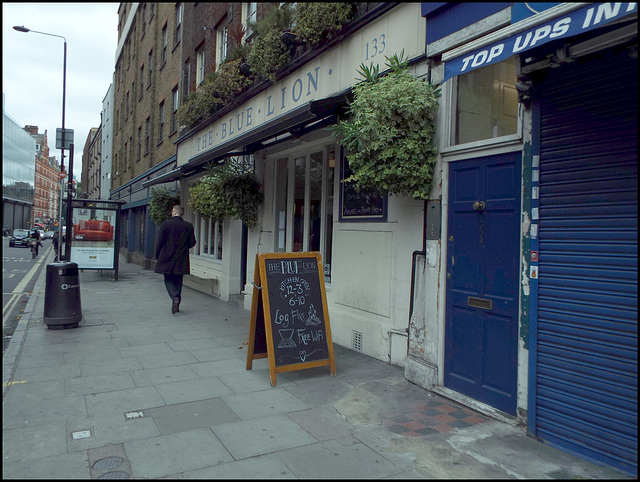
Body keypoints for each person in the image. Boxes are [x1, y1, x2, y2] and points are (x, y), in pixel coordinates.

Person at [154, 205, 196, 314]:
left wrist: (157, 256)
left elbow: (160, 242)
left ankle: (174, 297)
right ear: (181, 213)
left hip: (167, 257)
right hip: (181, 258)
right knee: (178, 281)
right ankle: (176, 305)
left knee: (168, 279)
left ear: (173, 212)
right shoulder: (188, 226)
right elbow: (192, 242)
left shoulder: (166, 224)